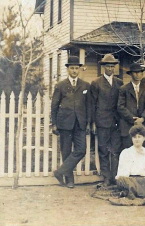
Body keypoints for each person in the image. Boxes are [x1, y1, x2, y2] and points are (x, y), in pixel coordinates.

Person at [51, 56, 91, 189]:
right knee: (66, 152)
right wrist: (54, 123)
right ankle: (70, 180)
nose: (74, 71)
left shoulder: (85, 85)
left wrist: (88, 123)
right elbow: (54, 105)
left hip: (80, 123)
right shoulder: (60, 85)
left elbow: (88, 106)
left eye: (76, 68)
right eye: (72, 68)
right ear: (67, 69)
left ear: (79, 69)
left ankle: (60, 172)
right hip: (64, 123)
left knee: (81, 150)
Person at [90, 54, 124, 186]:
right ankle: (106, 177)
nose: (110, 69)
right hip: (102, 120)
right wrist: (93, 122)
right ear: (103, 67)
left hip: (116, 121)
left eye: (112, 66)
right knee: (103, 149)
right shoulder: (96, 83)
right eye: (108, 66)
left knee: (115, 149)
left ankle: (115, 176)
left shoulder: (119, 83)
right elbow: (92, 104)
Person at [117, 63, 145, 150]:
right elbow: (120, 107)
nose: (137, 75)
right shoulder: (124, 89)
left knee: (142, 152)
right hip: (128, 125)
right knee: (128, 151)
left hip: (143, 125)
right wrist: (133, 119)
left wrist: (142, 118)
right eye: (135, 72)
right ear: (130, 74)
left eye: (139, 72)